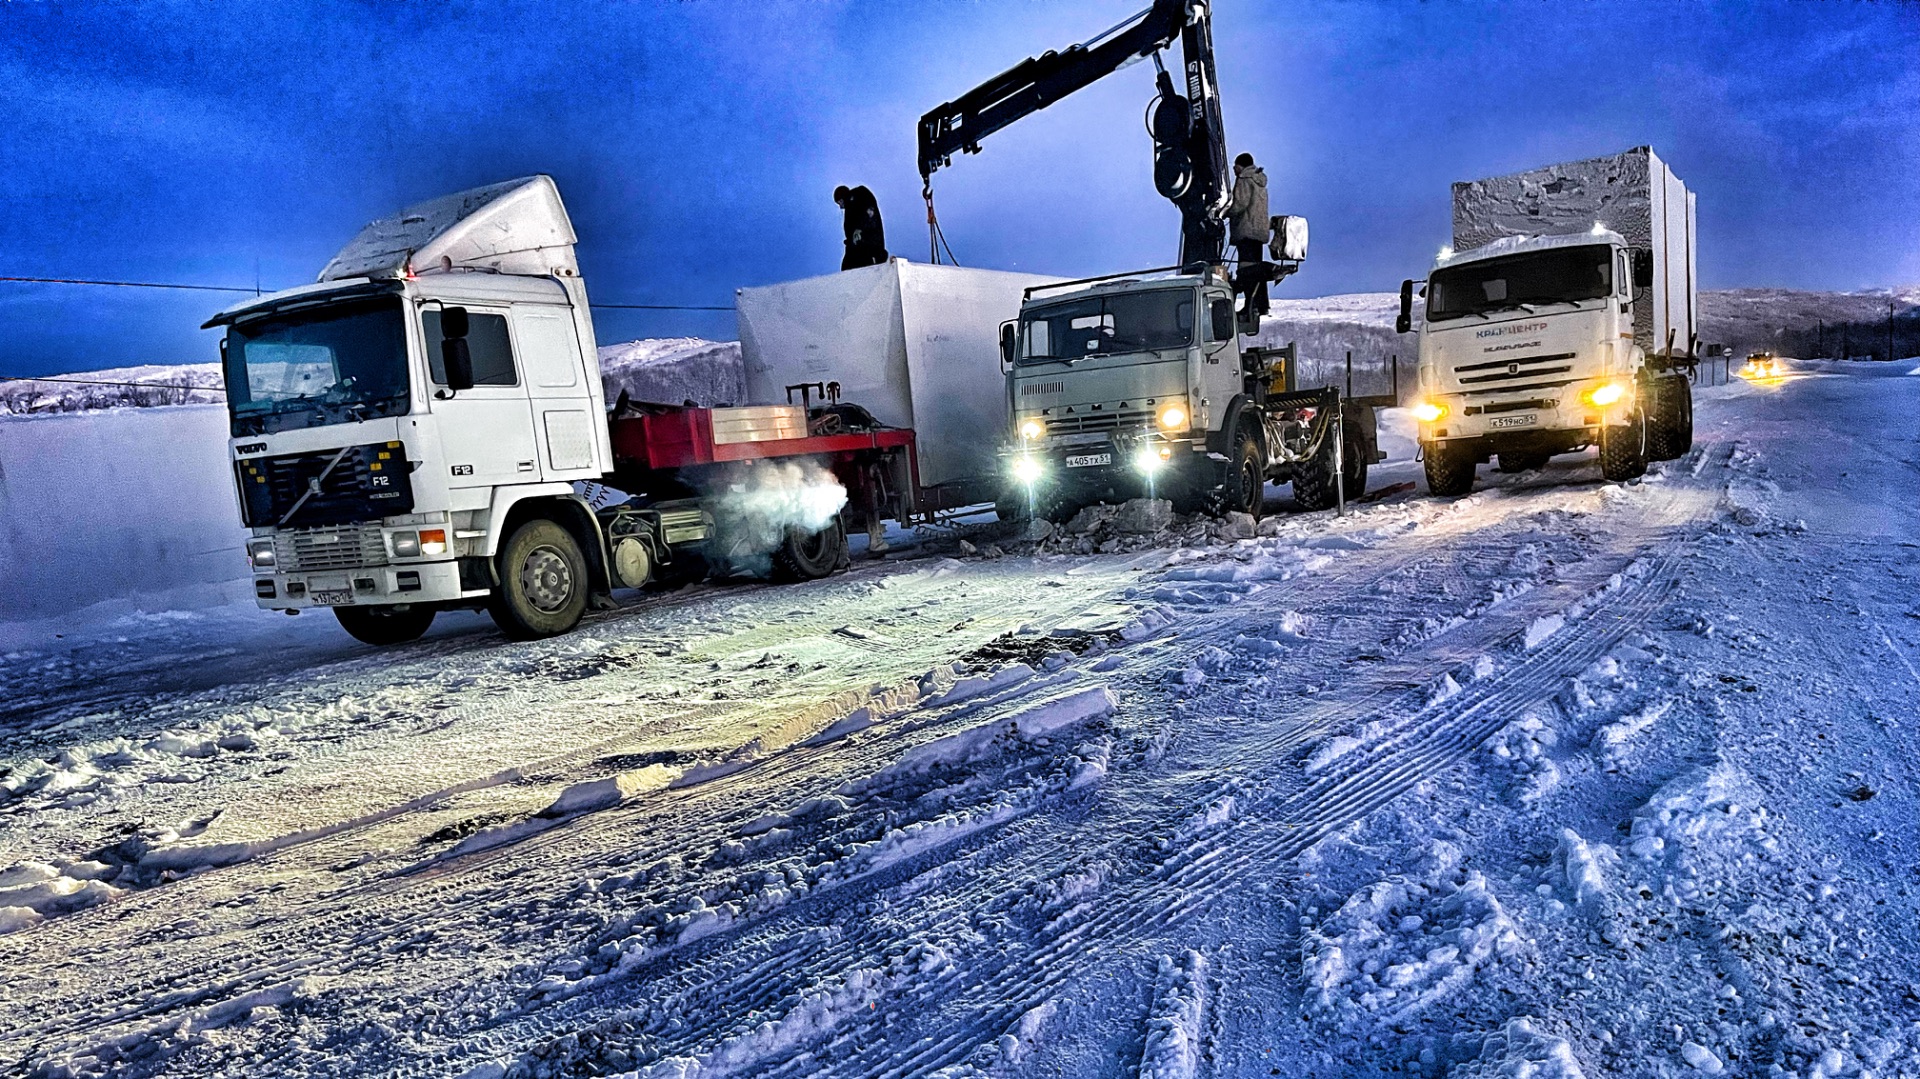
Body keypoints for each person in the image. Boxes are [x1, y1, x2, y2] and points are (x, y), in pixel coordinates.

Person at [1226, 153, 1271, 313]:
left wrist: (1225, 212)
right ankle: (1261, 305)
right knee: (1256, 270)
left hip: (1245, 231)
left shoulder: (1244, 180)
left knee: (1246, 270)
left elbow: (1240, 204)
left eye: (1235, 165)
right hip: (1258, 232)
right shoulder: (1260, 182)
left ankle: (1249, 306)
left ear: (1242, 166)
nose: (1233, 168)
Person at [834, 184, 888, 270]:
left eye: (840, 202)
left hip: (868, 243)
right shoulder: (849, 210)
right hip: (856, 247)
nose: (841, 206)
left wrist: (861, 229)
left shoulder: (860, 193)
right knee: (848, 267)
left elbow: (870, 212)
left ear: (844, 196)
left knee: (865, 264)